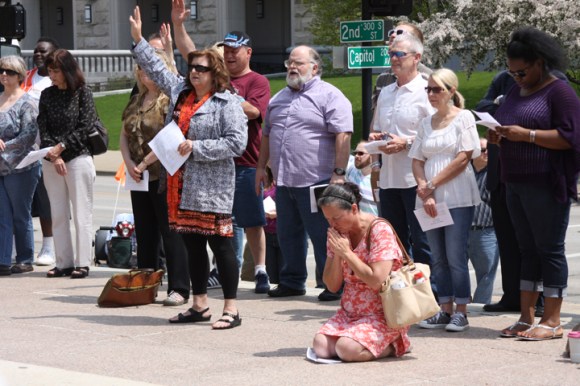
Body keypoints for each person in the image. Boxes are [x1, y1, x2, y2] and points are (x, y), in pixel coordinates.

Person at [130, 6, 247, 329]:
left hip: (212, 188)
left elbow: (236, 143)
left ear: (216, 74)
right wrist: (139, 39)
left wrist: (197, 147)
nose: (194, 72)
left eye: (202, 69)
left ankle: (232, 308)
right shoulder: (181, 93)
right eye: (192, 67)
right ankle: (199, 304)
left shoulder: (228, 103)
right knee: (192, 244)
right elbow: (157, 65)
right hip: (179, 185)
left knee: (221, 246)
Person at [171, 0, 272, 294]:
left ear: (247, 52)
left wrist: (224, 94)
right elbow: (190, 52)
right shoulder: (212, 78)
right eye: (225, 51)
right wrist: (179, 25)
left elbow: (254, 112)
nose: (229, 55)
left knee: (252, 220)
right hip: (214, 164)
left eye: (234, 51)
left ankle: (261, 270)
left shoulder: (257, 81)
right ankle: (228, 271)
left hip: (246, 161)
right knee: (224, 223)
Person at [489, 28, 580, 340]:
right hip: (514, 180)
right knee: (526, 250)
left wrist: (525, 135)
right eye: (511, 72)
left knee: (549, 250)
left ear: (540, 63)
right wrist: (498, 135)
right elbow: (508, 122)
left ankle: (553, 319)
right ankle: (526, 317)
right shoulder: (516, 90)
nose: (516, 78)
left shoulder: (560, 92)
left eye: (522, 71)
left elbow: (570, 137)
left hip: (546, 183)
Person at [256, 45, 353, 300]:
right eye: (289, 62)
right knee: (288, 233)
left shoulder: (330, 96)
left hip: (317, 181)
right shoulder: (278, 99)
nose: (292, 67)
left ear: (314, 67)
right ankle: (292, 281)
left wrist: (339, 174)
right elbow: (266, 134)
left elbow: (343, 134)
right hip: (285, 181)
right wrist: (260, 167)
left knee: (323, 235)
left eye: (298, 63)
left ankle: (334, 285)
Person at [411, 68, 481, 332]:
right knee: (437, 257)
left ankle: (461, 310)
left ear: (451, 91)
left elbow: (463, 158)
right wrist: (423, 188)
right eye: (428, 89)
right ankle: (444, 307)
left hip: (456, 195)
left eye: (436, 89)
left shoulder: (464, 118)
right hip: (428, 196)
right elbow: (417, 160)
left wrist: (431, 186)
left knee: (455, 255)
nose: (431, 94)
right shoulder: (425, 123)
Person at [120, 49, 190, 307]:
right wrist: (129, 163)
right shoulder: (137, 99)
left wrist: (145, 161)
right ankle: (146, 284)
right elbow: (125, 133)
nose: (144, 73)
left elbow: (172, 135)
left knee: (171, 232)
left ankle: (180, 287)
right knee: (145, 232)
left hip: (165, 174)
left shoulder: (169, 99)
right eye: (141, 69)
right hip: (138, 175)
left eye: (150, 68)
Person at [312, 183, 410, 362]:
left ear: (354, 209)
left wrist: (347, 254)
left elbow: (377, 281)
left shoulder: (379, 230)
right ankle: (358, 340)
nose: (332, 224)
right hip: (350, 313)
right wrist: (337, 255)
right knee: (321, 347)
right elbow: (332, 286)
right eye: (328, 219)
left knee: (346, 350)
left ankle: (395, 344)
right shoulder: (337, 233)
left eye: (336, 218)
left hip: (382, 314)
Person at [369, 33, 435, 270]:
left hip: (417, 180)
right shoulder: (386, 92)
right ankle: (402, 297)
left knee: (423, 242)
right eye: (390, 54)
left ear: (417, 57)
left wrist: (406, 143)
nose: (393, 59)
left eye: (399, 54)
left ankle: (432, 298)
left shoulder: (428, 91)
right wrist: (376, 146)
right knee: (394, 243)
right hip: (389, 180)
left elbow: (438, 133)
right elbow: (376, 128)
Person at [38, 49, 97, 279]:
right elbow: (42, 127)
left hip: (79, 157)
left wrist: (62, 147)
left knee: (82, 212)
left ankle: (83, 262)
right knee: (58, 212)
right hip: (52, 159)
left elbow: (85, 127)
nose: (52, 75)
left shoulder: (83, 93)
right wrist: (55, 155)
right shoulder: (47, 95)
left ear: (67, 70)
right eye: (50, 71)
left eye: (56, 71)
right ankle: (64, 262)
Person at [0, 56, 41, 276]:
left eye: (9, 71)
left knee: (20, 214)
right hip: (0, 167)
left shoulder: (27, 102)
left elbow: (29, 135)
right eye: (1, 71)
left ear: (19, 75)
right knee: (2, 215)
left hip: (21, 166)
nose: (3, 74)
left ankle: (25, 258)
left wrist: (4, 146)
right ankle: (3, 260)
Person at [21, 37, 60, 266]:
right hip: (24, 149)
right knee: (23, 199)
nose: (38, 54)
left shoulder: (56, 81)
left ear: (54, 53)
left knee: (46, 200)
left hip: (47, 148)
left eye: (43, 51)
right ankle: (20, 246)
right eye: (36, 51)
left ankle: (48, 247)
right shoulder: (26, 76)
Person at [371, 22, 432, 113]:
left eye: (399, 33)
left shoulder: (430, 78)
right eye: (392, 32)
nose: (393, 35)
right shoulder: (383, 78)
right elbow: (377, 119)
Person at [468, 137, 499, 305]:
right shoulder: (463, 171)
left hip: (486, 231)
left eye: (488, 149)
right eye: (482, 150)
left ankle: (479, 305)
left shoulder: (494, 173)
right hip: (461, 229)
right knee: (457, 270)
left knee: (486, 274)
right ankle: (461, 303)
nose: (486, 153)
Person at [346, 141, 378, 216]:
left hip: (373, 223)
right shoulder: (351, 169)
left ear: (372, 155)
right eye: (355, 153)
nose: (356, 156)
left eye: (361, 153)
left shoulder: (377, 179)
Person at [262, 165, 282, 284]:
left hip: (282, 233)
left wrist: (279, 213)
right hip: (266, 234)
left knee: (284, 273)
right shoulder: (262, 182)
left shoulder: (281, 183)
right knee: (271, 275)